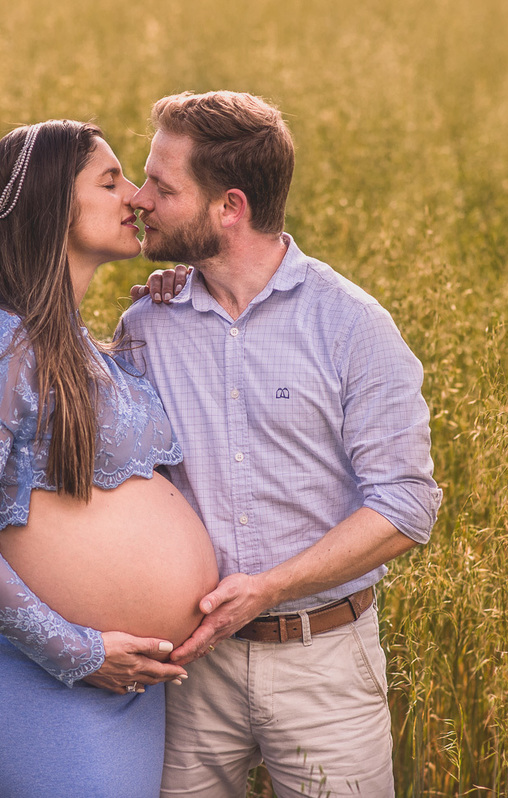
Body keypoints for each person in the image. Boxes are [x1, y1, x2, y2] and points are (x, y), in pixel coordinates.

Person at [117, 92, 443, 797]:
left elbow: (407, 505)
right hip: (189, 669)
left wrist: (268, 588)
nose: (139, 199)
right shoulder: (149, 322)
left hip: (323, 663)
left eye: (163, 187)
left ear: (229, 207)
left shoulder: (352, 326)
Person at [0, 120, 219, 797]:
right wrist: (78, 653)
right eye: (111, 182)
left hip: (129, 681)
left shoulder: (89, 347)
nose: (136, 197)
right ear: (54, 207)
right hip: (50, 680)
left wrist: (176, 304)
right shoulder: (0, 347)